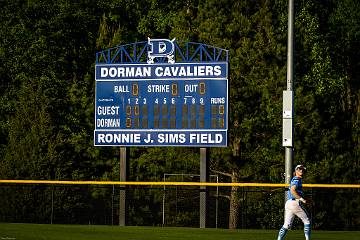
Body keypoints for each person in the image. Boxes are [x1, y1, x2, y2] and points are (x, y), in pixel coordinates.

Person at [277, 164, 311, 240]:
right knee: (307, 220)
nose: (301, 170)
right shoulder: (297, 179)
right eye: (299, 169)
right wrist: (302, 199)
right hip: (295, 203)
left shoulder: (296, 179)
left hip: (289, 203)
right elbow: (293, 190)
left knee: (286, 225)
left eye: (302, 169)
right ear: (295, 171)